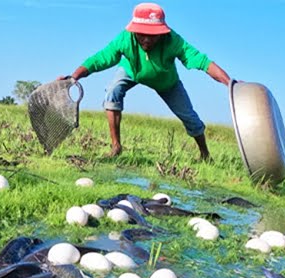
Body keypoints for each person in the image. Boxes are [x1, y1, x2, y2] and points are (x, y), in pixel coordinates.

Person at [59, 2, 231, 161]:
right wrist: (74, 77)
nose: (147, 40)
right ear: (134, 31)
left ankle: (205, 154)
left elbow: (201, 61)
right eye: (142, 35)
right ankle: (116, 147)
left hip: (166, 81)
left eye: (153, 36)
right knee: (112, 91)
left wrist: (229, 83)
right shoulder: (126, 38)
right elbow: (101, 58)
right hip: (132, 70)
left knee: (189, 117)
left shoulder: (173, 40)